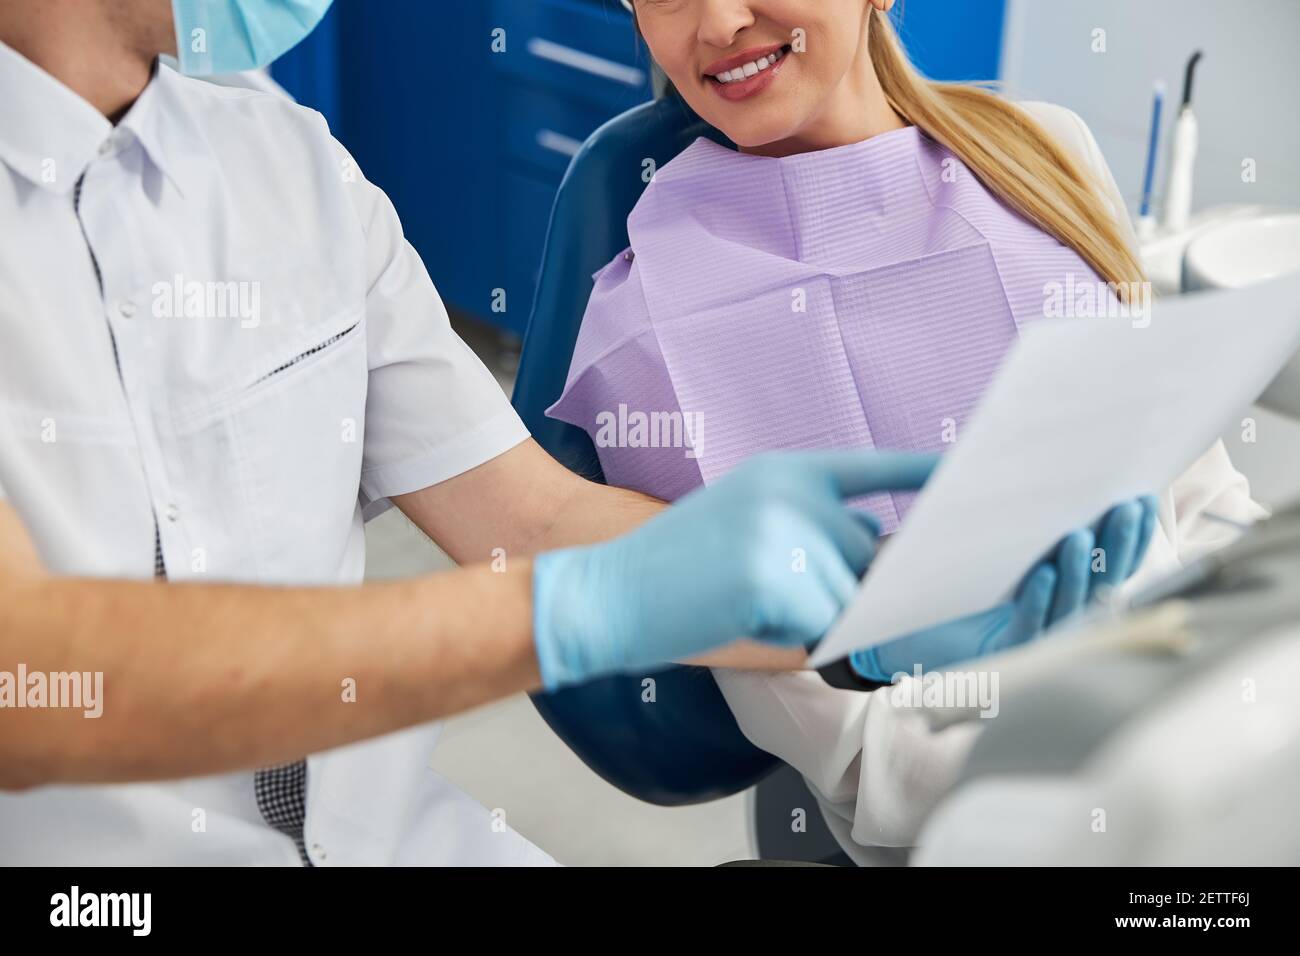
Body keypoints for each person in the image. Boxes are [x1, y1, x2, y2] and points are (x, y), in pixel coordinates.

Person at [0, 0, 951, 866]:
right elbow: (33, 681)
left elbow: (529, 519)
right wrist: (568, 611)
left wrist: (924, 591)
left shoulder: (287, 164)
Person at [550, 0, 1266, 861]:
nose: (719, 21)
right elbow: (854, 751)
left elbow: (1197, 488)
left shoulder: (1043, 152)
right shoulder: (653, 325)